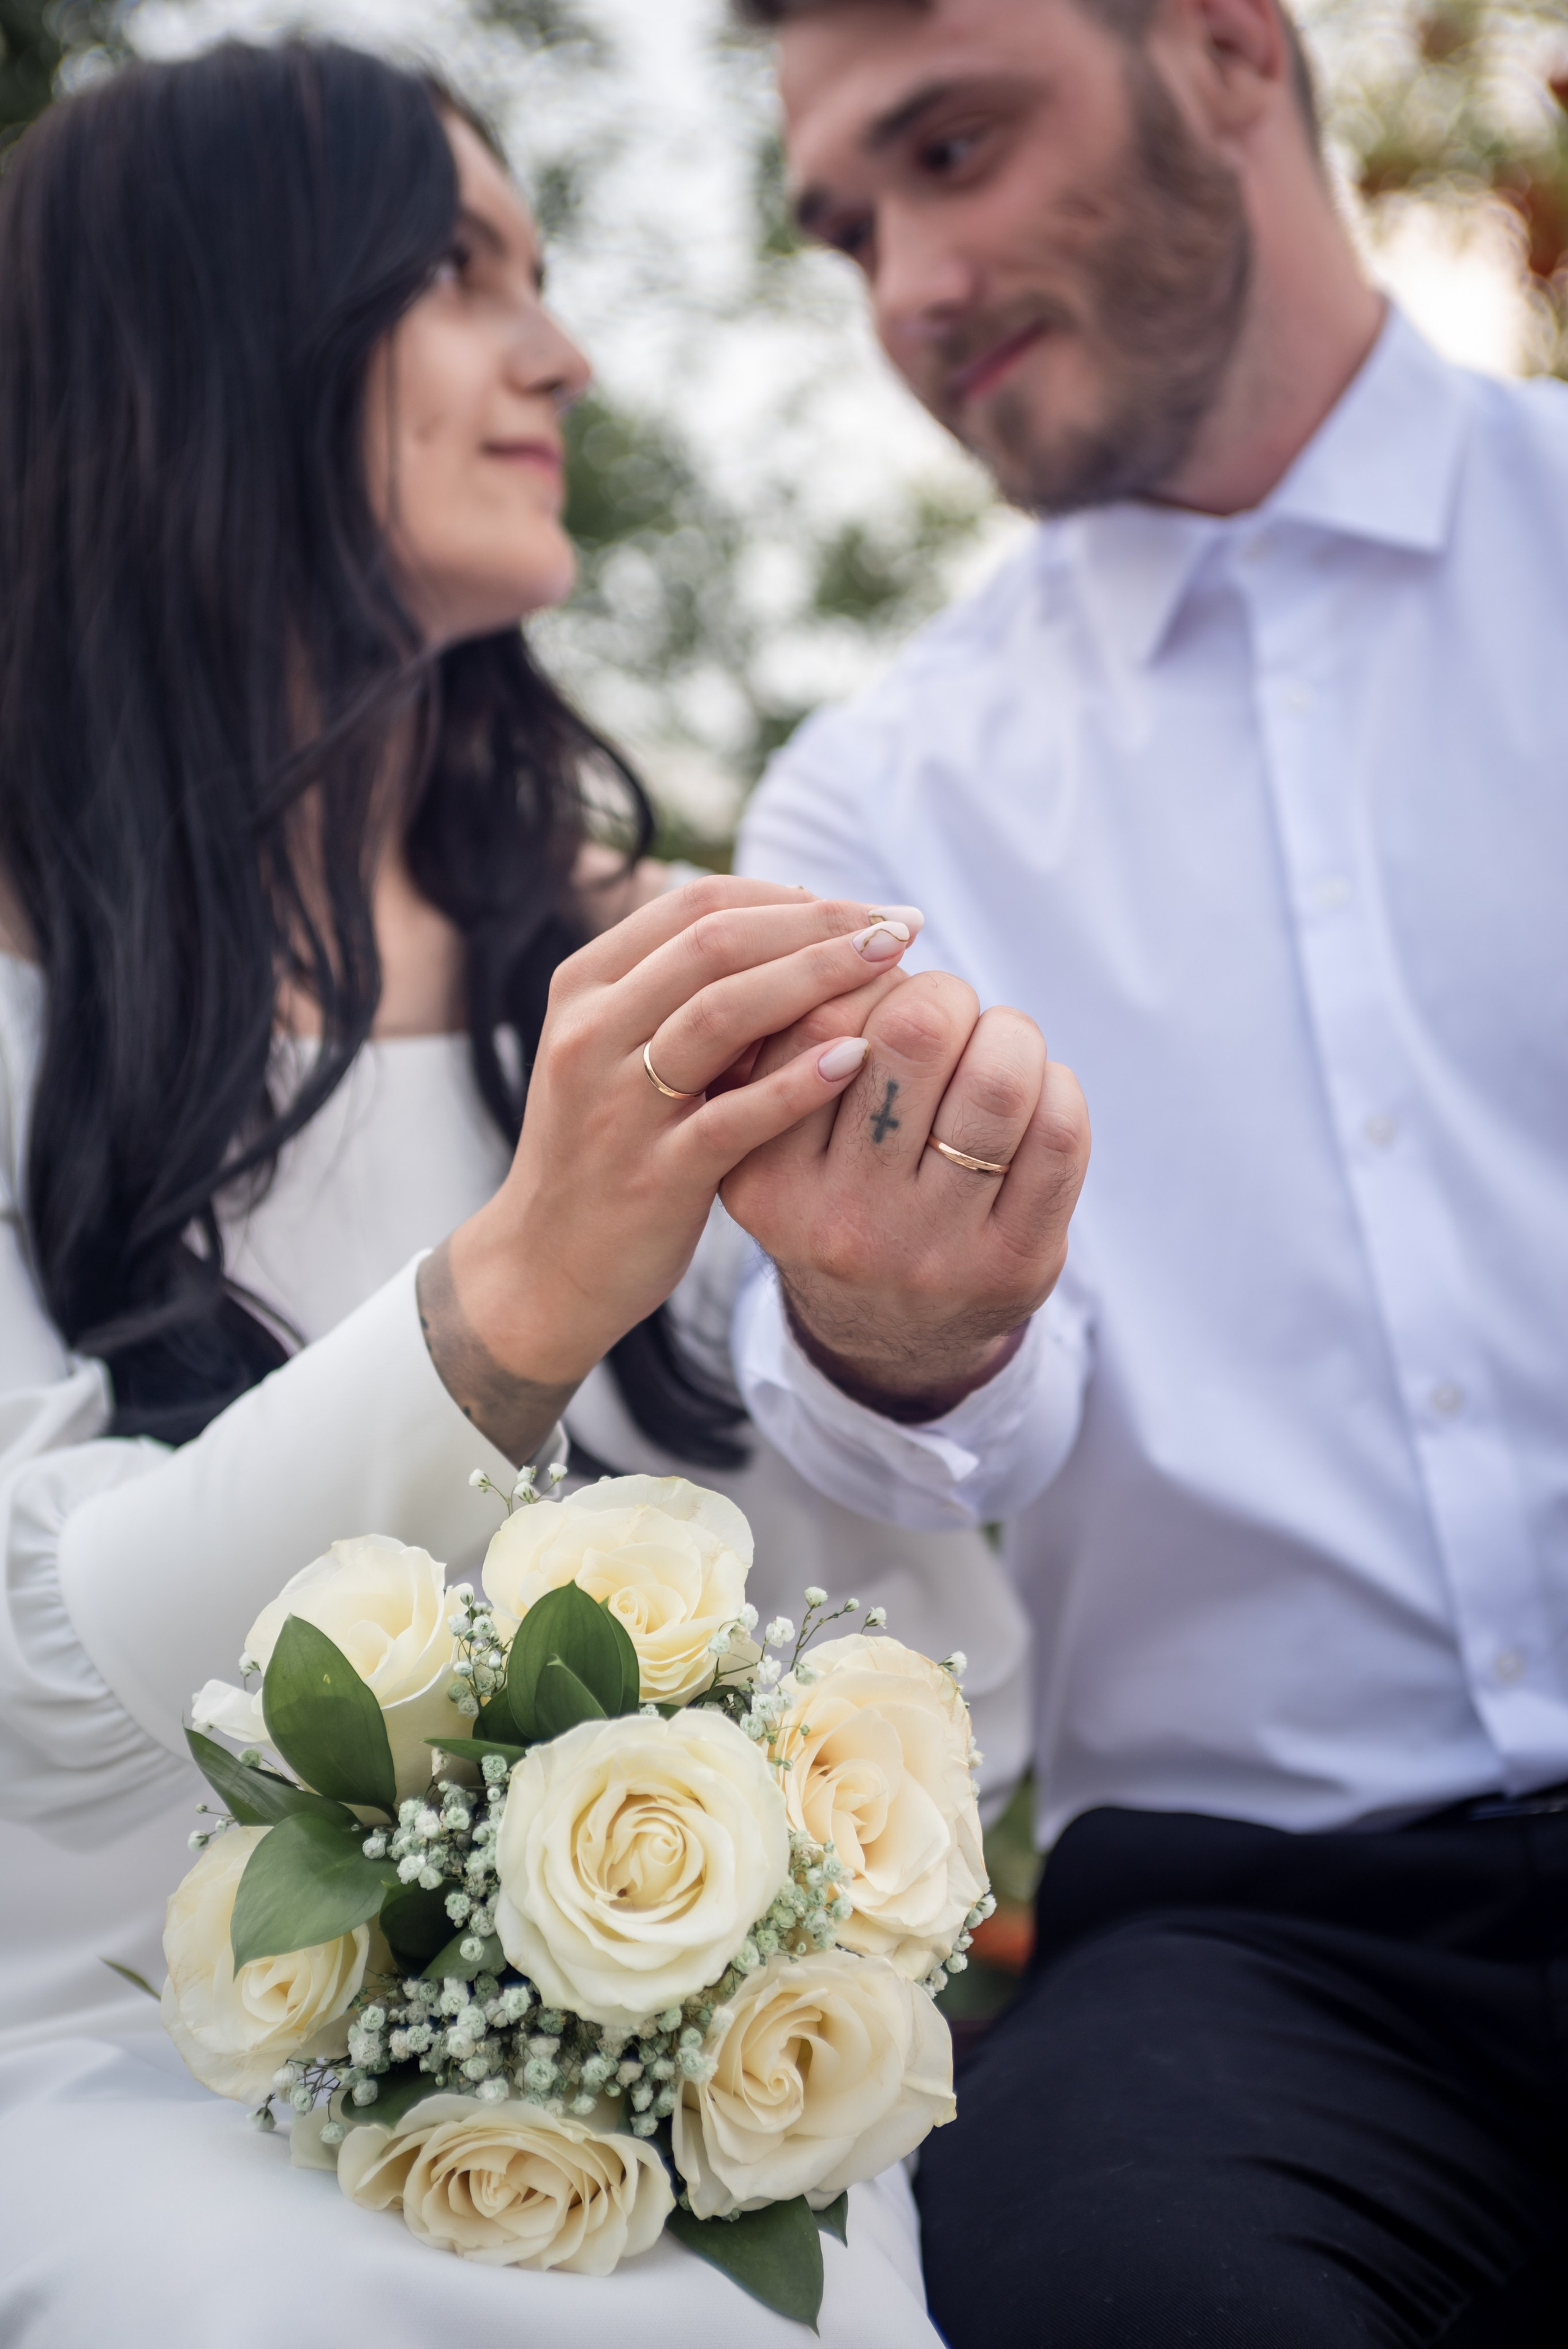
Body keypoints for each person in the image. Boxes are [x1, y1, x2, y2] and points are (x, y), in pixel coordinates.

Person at [0, 40, 1012, 2345]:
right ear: (205, 333)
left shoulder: (645, 964)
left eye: (546, 275)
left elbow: (944, 1697)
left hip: (677, 2114)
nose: (557, 351)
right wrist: (516, 1292)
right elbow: (34, 1722)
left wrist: (900, 1338)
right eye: (459, 276)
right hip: (109, 2092)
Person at [708, 0, 1568, 2342]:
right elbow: (915, 1406)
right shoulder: (869, 811)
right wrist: (899, 1323)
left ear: (1223, 47)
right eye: (850, 224)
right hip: (1257, 1952)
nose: (903, 284)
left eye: (957, 146)